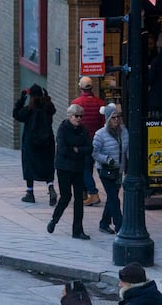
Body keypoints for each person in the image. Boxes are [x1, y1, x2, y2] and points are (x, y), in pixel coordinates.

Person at [47, 103, 90, 240]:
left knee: (79, 199)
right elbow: (63, 149)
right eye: (76, 116)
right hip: (64, 168)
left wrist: (78, 149)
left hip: (78, 168)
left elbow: (89, 148)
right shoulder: (63, 129)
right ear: (70, 116)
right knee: (66, 197)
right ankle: (54, 220)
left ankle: (77, 230)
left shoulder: (83, 130)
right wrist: (77, 150)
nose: (79, 119)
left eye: (81, 116)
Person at [13, 84, 57, 205]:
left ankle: (30, 193)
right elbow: (53, 109)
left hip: (31, 143)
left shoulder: (29, 109)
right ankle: (51, 188)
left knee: (29, 166)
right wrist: (47, 98)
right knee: (48, 166)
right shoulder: (48, 108)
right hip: (47, 143)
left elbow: (16, 115)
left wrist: (21, 100)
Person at [92, 102, 128, 235]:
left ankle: (104, 223)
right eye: (113, 117)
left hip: (118, 170)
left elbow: (127, 150)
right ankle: (120, 226)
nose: (116, 120)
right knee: (114, 197)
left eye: (118, 116)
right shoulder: (100, 134)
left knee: (112, 197)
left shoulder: (124, 132)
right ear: (107, 119)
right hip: (105, 170)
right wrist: (107, 159)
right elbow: (94, 153)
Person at [72, 77, 105, 207]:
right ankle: (84, 193)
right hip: (96, 139)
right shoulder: (100, 103)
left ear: (80, 87)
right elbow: (103, 124)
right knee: (89, 168)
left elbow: (73, 124)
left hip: (82, 141)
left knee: (84, 169)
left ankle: (92, 193)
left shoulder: (76, 103)